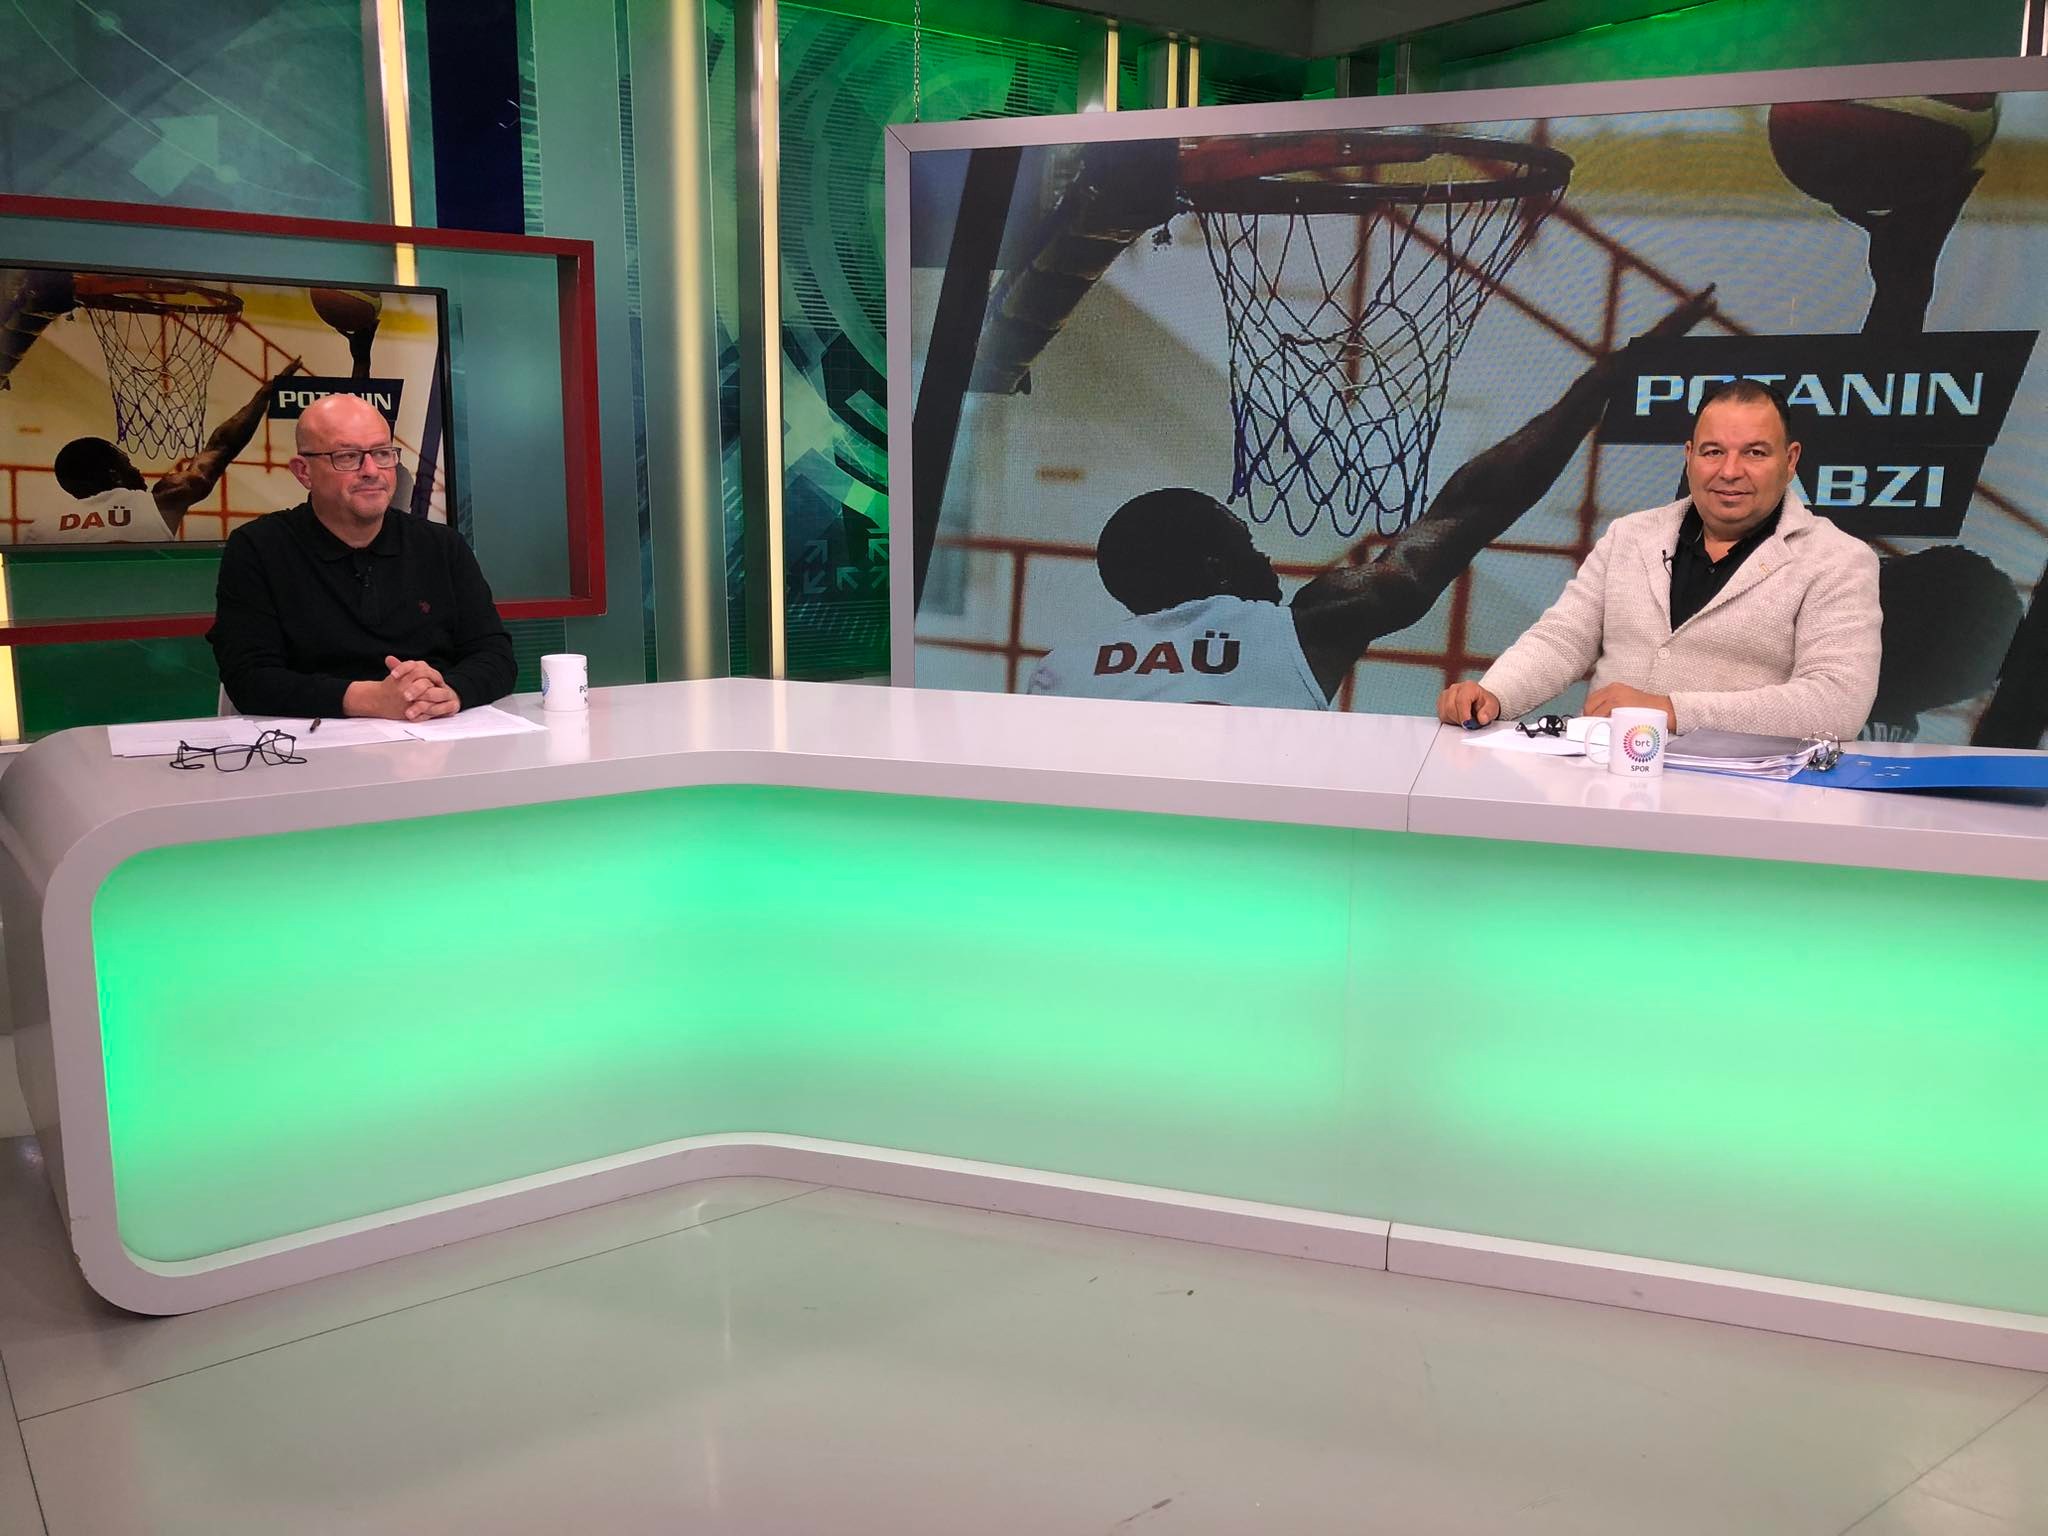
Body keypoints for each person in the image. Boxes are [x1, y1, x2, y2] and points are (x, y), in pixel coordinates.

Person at [1027, 289, 1717, 708]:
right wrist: (1601, 385)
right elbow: (1473, 506)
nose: (1264, 559)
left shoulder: (1063, 670)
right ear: (1214, 567)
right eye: (1246, 544)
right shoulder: (1303, 629)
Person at [1438, 379, 1881, 739]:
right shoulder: (1630, 535)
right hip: (1603, 783)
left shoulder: (1838, 560)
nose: (1730, 471)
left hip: (1750, 799)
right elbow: (1563, 639)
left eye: (1755, 453)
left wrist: (1670, 710)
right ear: (1689, 457)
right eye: (1713, 452)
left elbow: (1836, 702)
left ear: (1790, 460)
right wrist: (1494, 694)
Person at [208, 392, 514, 721]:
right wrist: (370, 699)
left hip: (437, 734)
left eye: (382, 453)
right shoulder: (257, 548)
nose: (371, 470)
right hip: (312, 742)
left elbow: (496, 655)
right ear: (304, 471)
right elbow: (249, 678)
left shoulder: (443, 546)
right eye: (348, 456)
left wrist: (449, 692)